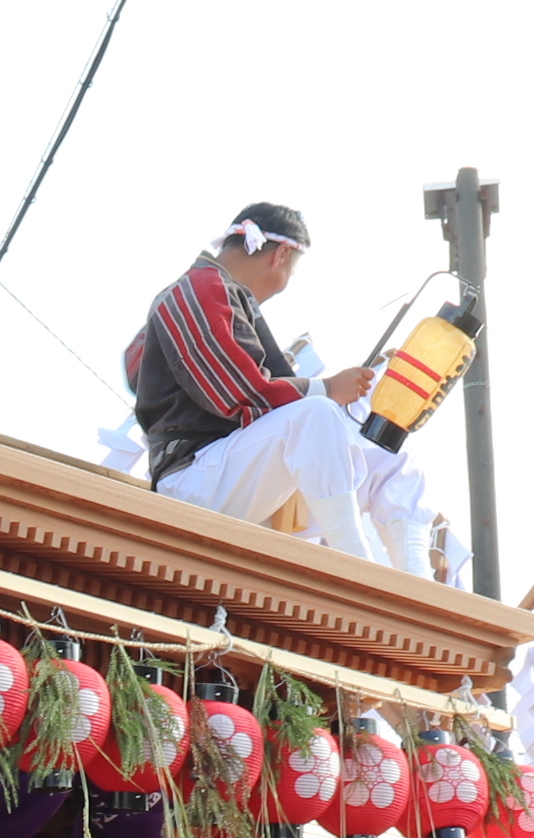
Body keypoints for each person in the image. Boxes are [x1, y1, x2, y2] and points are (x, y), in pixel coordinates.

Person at [120, 205, 444, 578]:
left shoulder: (215, 291)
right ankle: (355, 564)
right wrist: (326, 388)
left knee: (377, 452)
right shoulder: (200, 287)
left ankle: (412, 579)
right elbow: (240, 392)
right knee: (317, 415)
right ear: (281, 255)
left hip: (225, 472)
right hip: (192, 479)